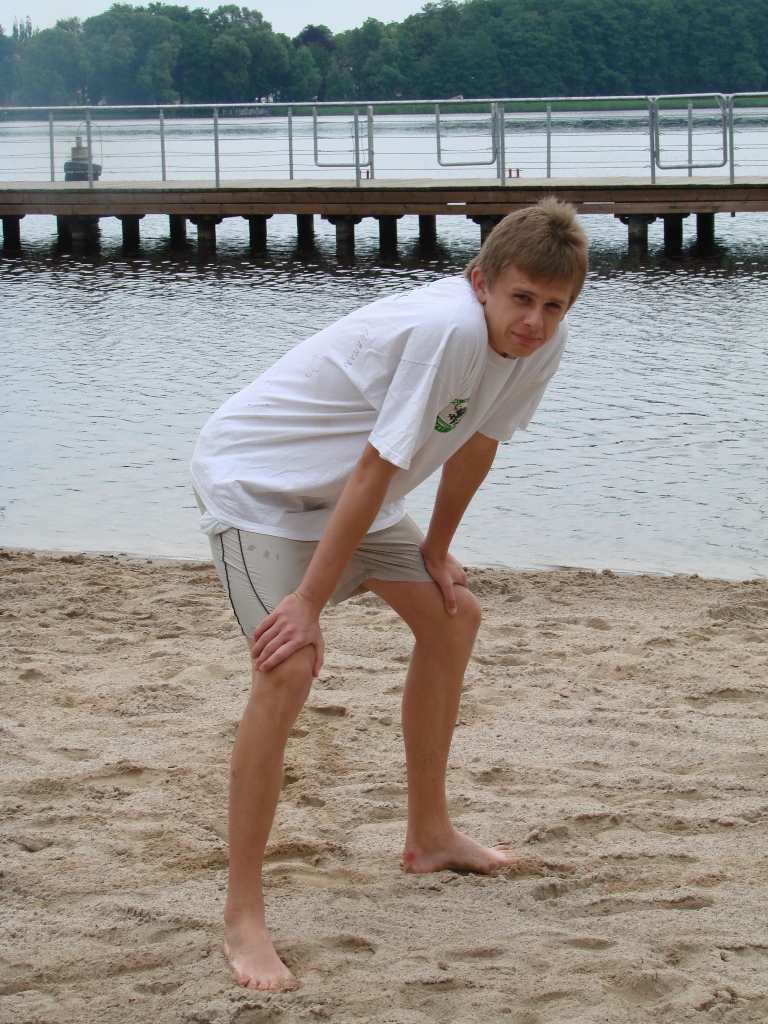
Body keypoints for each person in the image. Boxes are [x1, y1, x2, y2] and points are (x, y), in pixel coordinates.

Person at [190, 198, 589, 991]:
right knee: (288, 665)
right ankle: (243, 914)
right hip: (261, 488)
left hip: (351, 495)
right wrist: (307, 603)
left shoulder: (540, 344)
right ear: (480, 282)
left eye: (554, 306)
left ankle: (430, 836)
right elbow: (379, 465)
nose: (535, 321)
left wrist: (435, 548)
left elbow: (479, 440)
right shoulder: (448, 330)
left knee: (454, 615)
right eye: (521, 298)